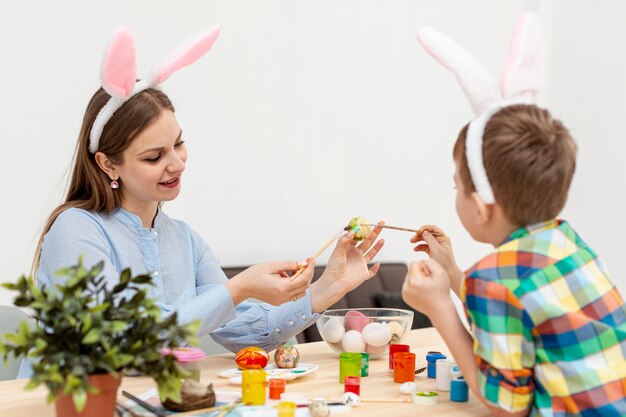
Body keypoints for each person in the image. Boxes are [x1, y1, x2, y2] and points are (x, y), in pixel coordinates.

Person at [28, 26, 385, 361]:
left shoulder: (185, 241)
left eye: (178, 144)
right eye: (154, 157)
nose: (177, 164)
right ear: (108, 165)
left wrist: (330, 286)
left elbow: (246, 334)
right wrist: (237, 289)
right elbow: (124, 344)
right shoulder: (75, 231)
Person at [402, 13, 626, 417]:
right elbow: (519, 305)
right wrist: (452, 272)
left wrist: (439, 308)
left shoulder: (494, 278)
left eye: (458, 186)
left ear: (482, 207)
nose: (456, 194)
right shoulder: (566, 241)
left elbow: (508, 408)